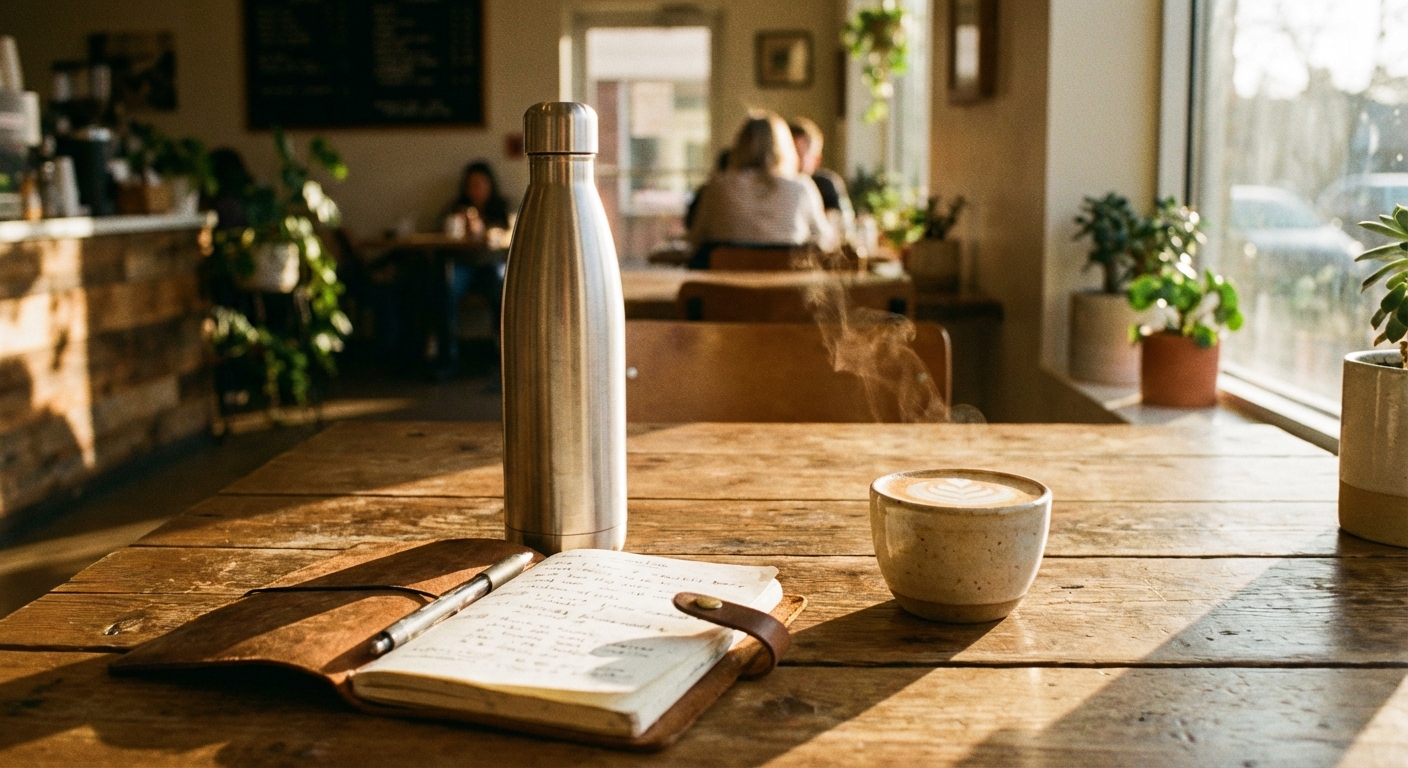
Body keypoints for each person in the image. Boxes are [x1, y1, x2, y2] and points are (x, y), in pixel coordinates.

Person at [686, 112, 838, 266]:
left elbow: (695, 239)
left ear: (739, 145)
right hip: (786, 287)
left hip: (726, 286)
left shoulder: (717, 186)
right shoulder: (801, 187)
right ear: (785, 146)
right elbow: (825, 240)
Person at [434, 160, 513, 379]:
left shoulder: (500, 209)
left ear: (490, 185)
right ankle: (447, 358)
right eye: (471, 184)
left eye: (480, 183)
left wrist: (484, 230)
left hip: (489, 267)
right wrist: (456, 225)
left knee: (502, 285)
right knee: (445, 286)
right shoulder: (456, 208)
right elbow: (441, 235)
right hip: (463, 266)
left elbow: (506, 235)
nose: (475, 189)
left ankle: (502, 357)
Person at [788, 116, 855, 239]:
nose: (792, 159)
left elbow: (845, 225)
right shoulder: (771, 187)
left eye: (799, 154)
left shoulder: (827, 184)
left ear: (816, 160)